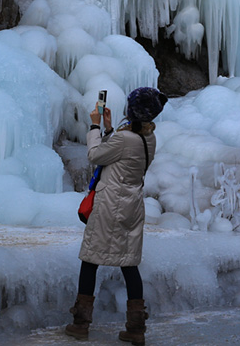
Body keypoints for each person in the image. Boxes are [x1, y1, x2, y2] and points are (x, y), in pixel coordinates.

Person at [66, 87, 166, 345]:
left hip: (111, 205)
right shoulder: (148, 138)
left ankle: (80, 324)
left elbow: (95, 155)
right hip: (131, 205)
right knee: (129, 263)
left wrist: (95, 126)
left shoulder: (126, 140)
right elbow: (121, 156)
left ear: (132, 112)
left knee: (90, 259)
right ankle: (136, 328)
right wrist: (111, 129)